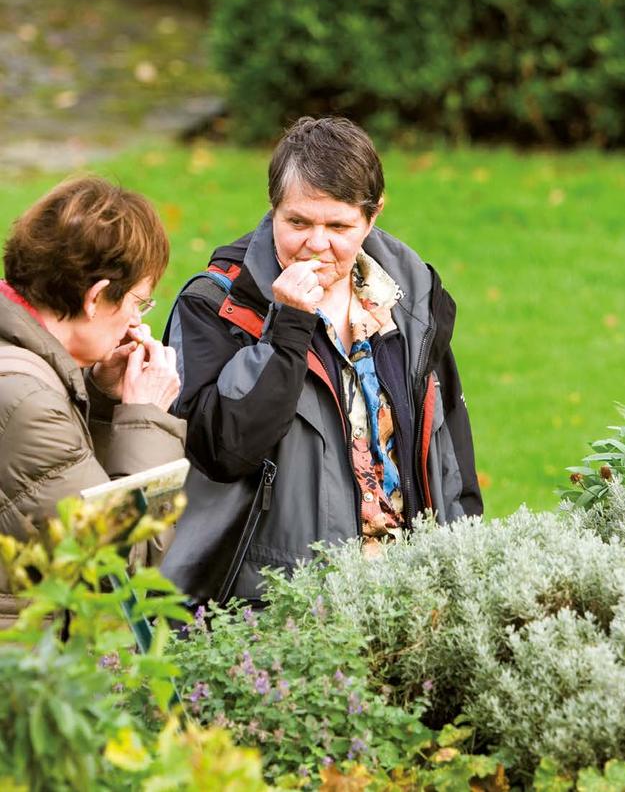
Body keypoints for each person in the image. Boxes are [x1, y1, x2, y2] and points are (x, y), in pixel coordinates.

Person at [161, 116, 482, 603]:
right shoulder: (217, 304)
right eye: (298, 222)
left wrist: (469, 560)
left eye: (338, 226)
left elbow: (451, 449)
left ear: (371, 218)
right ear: (273, 211)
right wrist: (288, 329)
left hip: (412, 587)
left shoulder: (412, 298)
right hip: (283, 601)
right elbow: (223, 451)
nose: (315, 243)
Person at [0, 176, 185, 624]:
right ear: (97, 296)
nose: (135, 324)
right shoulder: (27, 402)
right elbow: (116, 571)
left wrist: (102, 399)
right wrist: (146, 419)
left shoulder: (24, 370)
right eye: (139, 302)